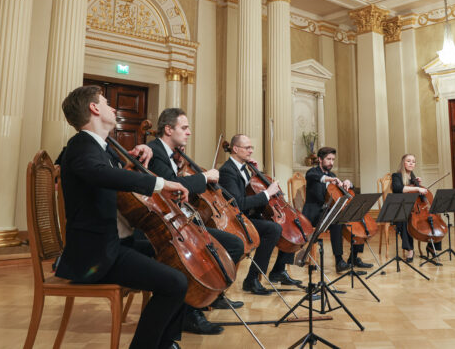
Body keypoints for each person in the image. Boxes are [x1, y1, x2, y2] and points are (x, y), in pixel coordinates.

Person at [55, 85, 188, 349]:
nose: (113, 107)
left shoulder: (97, 148)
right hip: (97, 253)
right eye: (106, 102)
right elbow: (100, 173)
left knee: (178, 257)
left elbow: (107, 174)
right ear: (94, 108)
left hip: (113, 244)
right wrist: (160, 183)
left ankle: (166, 343)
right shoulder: (81, 145)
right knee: (175, 282)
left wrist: (133, 160)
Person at [147, 107, 245, 335]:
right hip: (161, 226)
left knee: (233, 244)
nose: (189, 132)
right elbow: (171, 187)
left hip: (178, 222)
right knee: (199, 253)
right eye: (184, 127)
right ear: (168, 129)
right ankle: (190, 312)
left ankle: (208, 296)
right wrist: (204, 177)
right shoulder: (155, 151)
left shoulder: (171, 154)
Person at [218, 134, 301, 294]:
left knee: (287, 225)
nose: (250, 151)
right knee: (273, 229)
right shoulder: (228, 171)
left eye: (251, 148)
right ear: (235, 149)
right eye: (247, 148)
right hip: (237, 220)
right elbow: (239, 204)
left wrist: (255, 174)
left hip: (250, 215)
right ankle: (252, 279)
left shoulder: (245, 168)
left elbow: (251, 191)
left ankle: (278, 270)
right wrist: (267, 194)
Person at [303, 146, 373, 273]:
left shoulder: (333, 175)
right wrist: (331, 180)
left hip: (328, 213)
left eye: (333, 159)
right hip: (314, 214)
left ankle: (353, 258)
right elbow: (319, 178)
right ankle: (339, 260)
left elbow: (340, 191)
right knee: (336, 219)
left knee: (355, 215)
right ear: (320, 159)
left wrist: (348, 183)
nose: (331, 162)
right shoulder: (312, 173)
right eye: (328, 159)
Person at [391, 154, 442, 262]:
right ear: (403, 163)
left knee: (433, 217)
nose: (411, 163)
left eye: (413, 161)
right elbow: (398, 188)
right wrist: (417, 188)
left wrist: (418, 184)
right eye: (408, 161)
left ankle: (431, 246)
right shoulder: (397, 176)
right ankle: (410, 249)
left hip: (416, 209)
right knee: (404, 219)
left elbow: (420, 198)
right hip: (402, 208)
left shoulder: (414, 178)